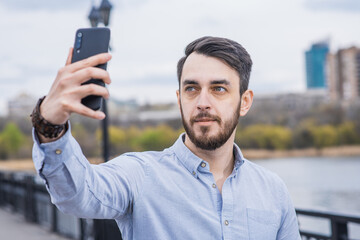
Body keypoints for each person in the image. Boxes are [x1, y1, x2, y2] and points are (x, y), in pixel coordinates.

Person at [32, 36, 301, 239]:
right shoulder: (140, 175)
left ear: (244, 101)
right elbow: (77, 193)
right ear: (179, 99)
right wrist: (50, 125)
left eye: (218, 89)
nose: (202, 102)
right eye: (192, 89)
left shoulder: (273, 191)